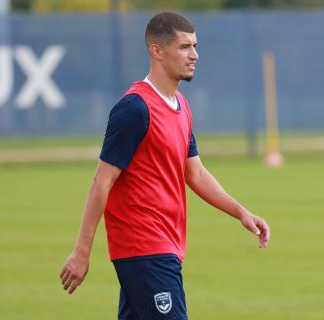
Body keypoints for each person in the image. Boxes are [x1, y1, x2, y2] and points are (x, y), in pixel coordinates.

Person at [60, 12, 270, 320]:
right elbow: (101, 182)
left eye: (195, 46)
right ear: (156, 51)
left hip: (164, 247)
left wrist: (241, 212)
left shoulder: (182, 106)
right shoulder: (134, 108)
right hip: (145, 248)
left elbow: (195, 173)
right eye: (185, 47)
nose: (195, 55)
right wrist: (81, 252)